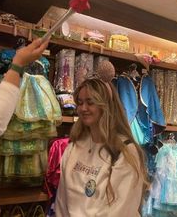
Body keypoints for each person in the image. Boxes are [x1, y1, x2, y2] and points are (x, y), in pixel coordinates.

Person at [55, 78, 149, 217]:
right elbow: (62, 200)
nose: (83, 108)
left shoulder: (125, 151)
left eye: (90, 102)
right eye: (80, 103)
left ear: (105, 105)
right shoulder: (74, 146)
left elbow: (121, 210)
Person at [0, 38, 49, 141]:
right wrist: (17, 64)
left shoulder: (43, 62)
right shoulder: (3, 55)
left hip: (31, 104)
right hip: (11, 105)